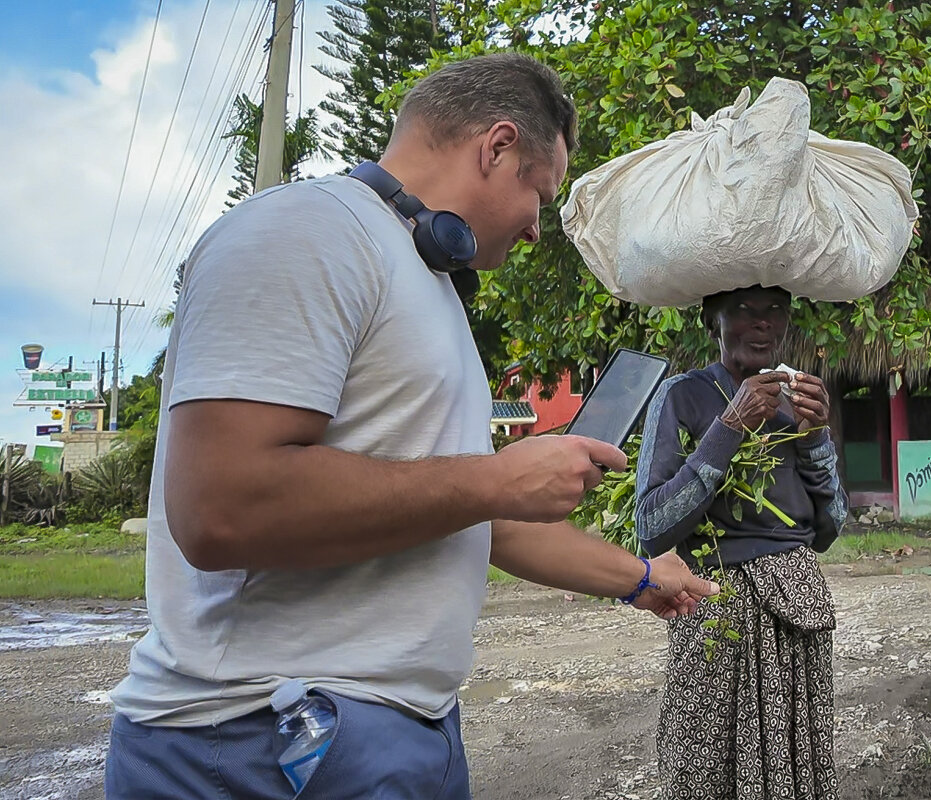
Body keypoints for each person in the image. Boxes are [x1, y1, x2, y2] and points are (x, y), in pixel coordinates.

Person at [104, 52, 717, 800]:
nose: (534, 230)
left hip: (392, 729)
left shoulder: (425, 288)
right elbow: (219, 508)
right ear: (496, 147)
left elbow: (460, 513)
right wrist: (494, 477)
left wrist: (643, 579)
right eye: (539, 194)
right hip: (263, 736)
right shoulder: (306, 231)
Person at [634, 284, 848, 800]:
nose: (761, 323)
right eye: (745, 311)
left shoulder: (799, 401)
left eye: (774, 310)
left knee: (791, 770)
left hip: (795, 610)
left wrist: (816, 433)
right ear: (714, 321)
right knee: (706, 768)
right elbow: (651, 526)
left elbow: (831, 527)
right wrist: (728, 428)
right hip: (714, 610)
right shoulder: (682, 396)